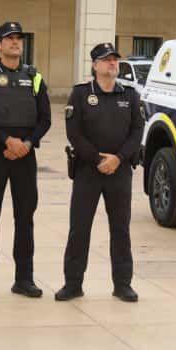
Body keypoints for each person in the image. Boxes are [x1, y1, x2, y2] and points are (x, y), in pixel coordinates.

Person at [0, 21, 51, 299]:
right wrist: (7, 141)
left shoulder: (35, 77)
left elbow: (45, 119)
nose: (15, 42)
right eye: (9, 38)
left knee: (25, 219)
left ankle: (24, 279)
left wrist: (26, 144)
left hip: (25, 157)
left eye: (19, 38)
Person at [56, 43, 143, 302]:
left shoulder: (130, 95)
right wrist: (97, 159)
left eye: (115, 59)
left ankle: (122, 284)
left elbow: (138, 131)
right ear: (95, 66)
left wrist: (118, 158)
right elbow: (75, 133)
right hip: (88, 171)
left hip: (120, 171)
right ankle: (73, 283)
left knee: (121, 229)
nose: (112, 63)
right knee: (79, 228)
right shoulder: (81, 94)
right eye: (106, 60)